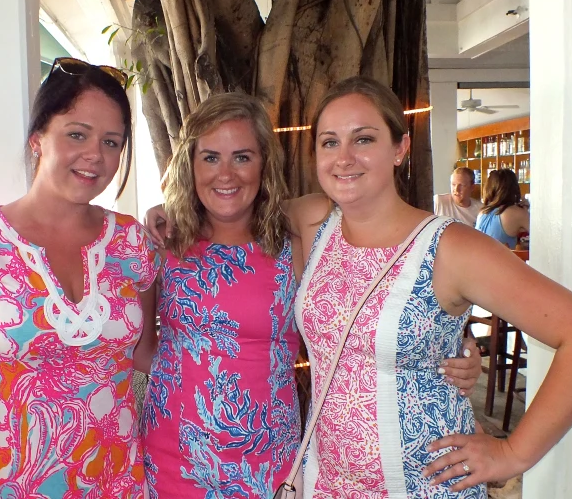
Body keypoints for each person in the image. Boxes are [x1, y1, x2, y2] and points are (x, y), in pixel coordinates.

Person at [280, 76, 572, 497]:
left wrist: (512, 452)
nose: (344, 158)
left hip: (425, 484)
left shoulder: (450, 248)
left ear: (400, 148)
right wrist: (171, 216)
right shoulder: (314, 223)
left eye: (363, 139)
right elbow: (231, 210)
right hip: (327, 481)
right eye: (329, 142)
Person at [141, 92, 482, 497]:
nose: (226, 174)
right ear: (190, 164)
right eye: (210, 157)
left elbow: (389, 271)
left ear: (265, 162)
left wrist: (457, 342)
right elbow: (142, 349)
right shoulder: (164, 241)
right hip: (173, 455)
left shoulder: (302, 230)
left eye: (243, 157)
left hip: (268, 459)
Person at [0, 58, 160, 498]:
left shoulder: (131, 242)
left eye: (112, 142)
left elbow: (147, 354)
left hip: (119, 485)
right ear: (37, 139)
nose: (95, 154)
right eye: (77, 134)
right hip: (9, 487)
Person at [475, 169, 529, 249]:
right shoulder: (516, 213)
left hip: (479, 259)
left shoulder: (482, 212)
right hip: (500, 261)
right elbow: (541, 235)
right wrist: (526, 210)